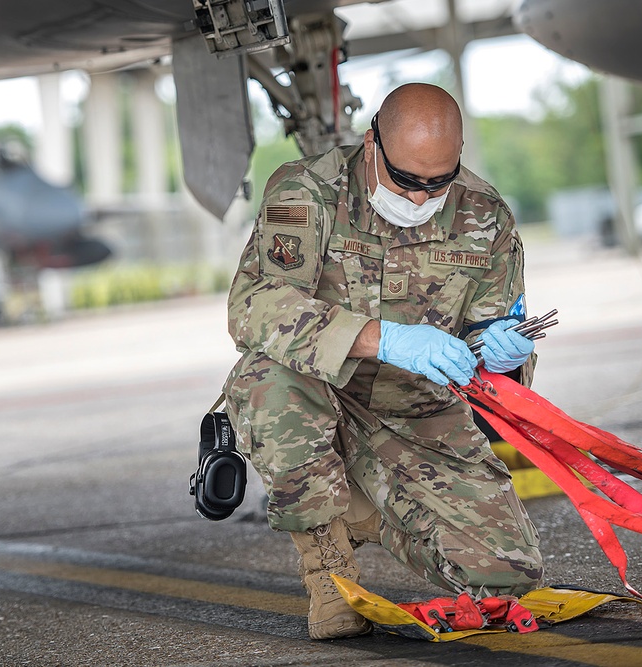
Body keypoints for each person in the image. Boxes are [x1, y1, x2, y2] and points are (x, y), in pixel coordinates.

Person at [222, 83, 544, 640]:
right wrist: (382, 338)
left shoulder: (485, 215)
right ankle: (329, 572)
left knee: (504, 573)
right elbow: (255, 307)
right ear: (372, 145)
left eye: (438, 182)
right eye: (407, 181)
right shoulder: (308, 191)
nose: (421, 200)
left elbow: (492, 348)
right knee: (268, 379)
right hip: (316, 388)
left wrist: (507, 354)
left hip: (415, 409)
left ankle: (360, 510)